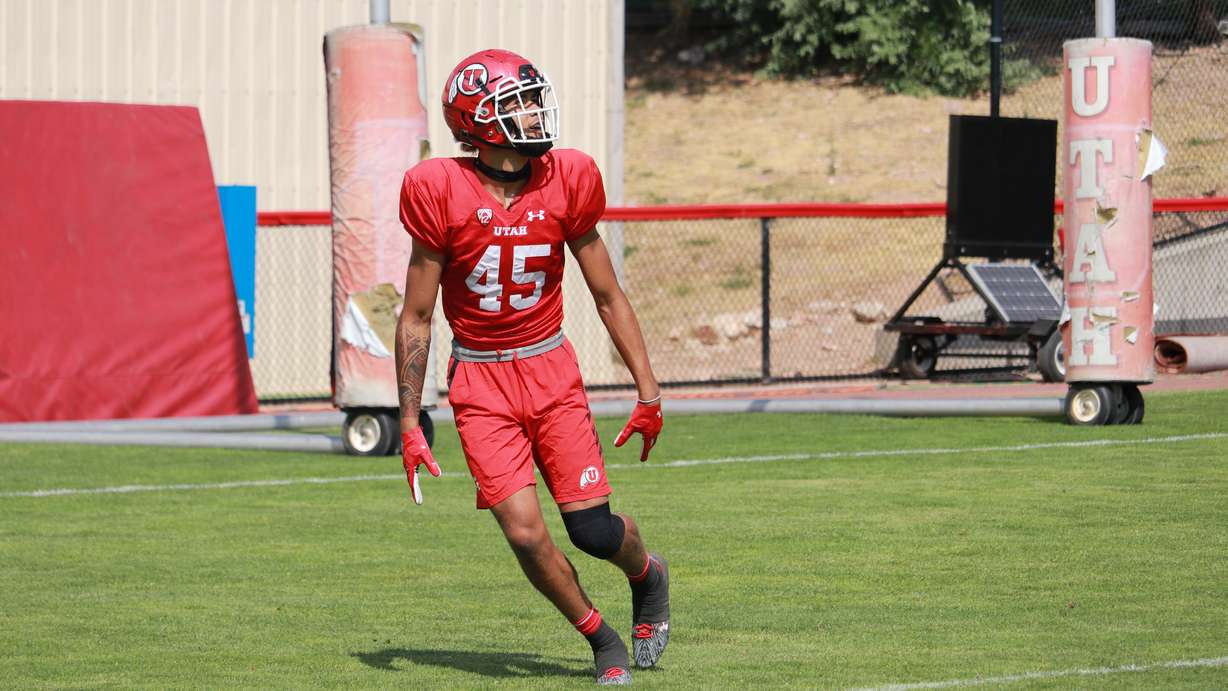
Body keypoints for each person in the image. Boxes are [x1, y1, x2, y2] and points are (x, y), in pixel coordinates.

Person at [394, 48, 669, 686]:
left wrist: (647, 390)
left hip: (549, 368)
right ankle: (600, 638)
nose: (531, 111)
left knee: (594, 532)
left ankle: (646, 573)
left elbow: (607, 294)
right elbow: (416, 315)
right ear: (478, 120)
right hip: (481, 382)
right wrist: (410, 419)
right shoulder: (438, 189)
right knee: (522, 534)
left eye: (531, 98)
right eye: (514, 102)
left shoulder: (565, 177)